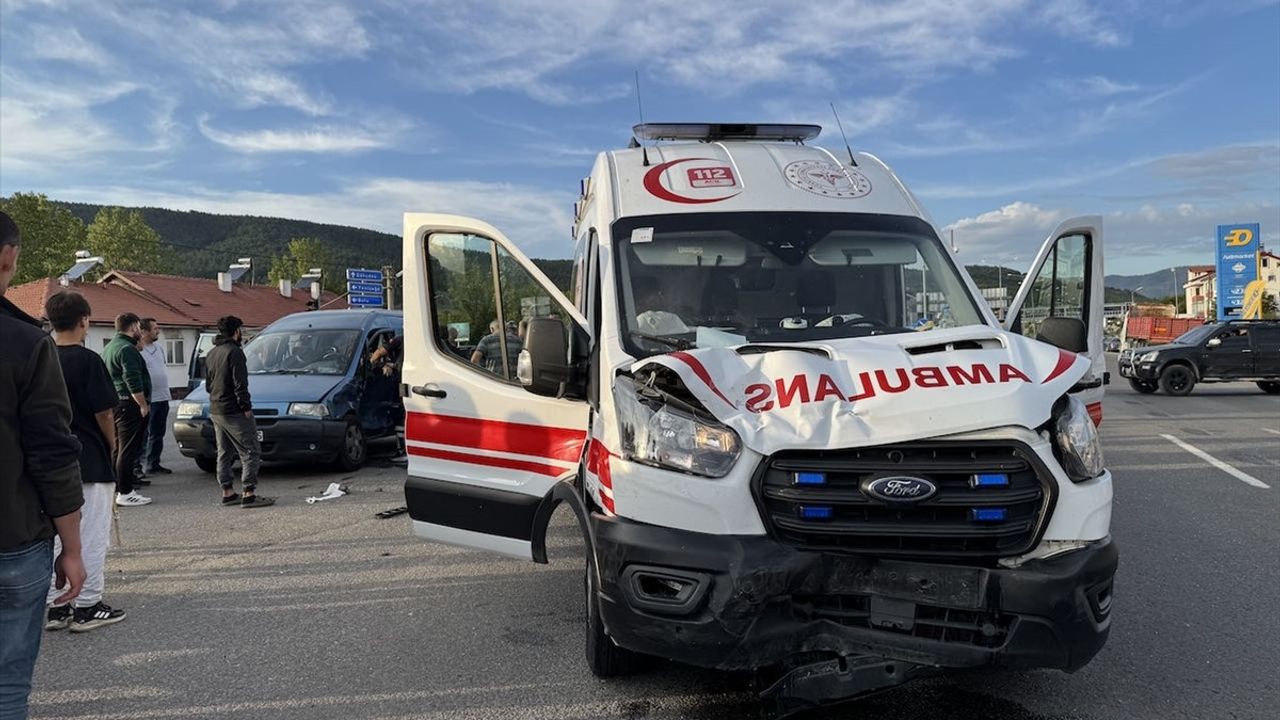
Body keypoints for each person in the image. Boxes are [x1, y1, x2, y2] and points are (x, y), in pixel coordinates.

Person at [0, 210, 86, 719]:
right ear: (8, 258)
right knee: (8, 682)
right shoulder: (26, 342)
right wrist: (73, 549)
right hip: (13, 542)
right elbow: (53, 453)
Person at [43, 291, 127, 633]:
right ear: (85, 320)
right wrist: (112, 445)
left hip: (47, 462)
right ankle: (88, 605)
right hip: (88, 458)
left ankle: (56, 606)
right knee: (91, 534)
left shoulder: (39, 358)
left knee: (57, 537)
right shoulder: (88, 361)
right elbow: (104, 411)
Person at [205, 315, 274, 508]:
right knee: (250, 450)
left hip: (216, 408)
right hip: (233, 409)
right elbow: (240, 383)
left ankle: (227, 491)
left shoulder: (212, 353)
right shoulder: (235, 352)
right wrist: (245, 407)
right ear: (236, 332)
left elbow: (209, 385)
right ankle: (249, 492)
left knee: (224, 451)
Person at [102, 313, 153, 507]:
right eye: (139, 327)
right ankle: (126, 491)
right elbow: (132, 379)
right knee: (128, 448)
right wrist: (142, 404)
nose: (141, 331)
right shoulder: (126, 349)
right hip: (129, 404)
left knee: (117, 447)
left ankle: (117, 487)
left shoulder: (110, 347)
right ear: (133, 327)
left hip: (115, 403)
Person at [137, 318, 173, 476]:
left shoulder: (159, 348)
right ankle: (138, 467)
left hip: (163, 396)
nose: (158, 331)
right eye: (155, 328)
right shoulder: (138, 350)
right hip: (148, 399)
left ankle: (153, 463)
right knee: (144, 434)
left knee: (158, 433)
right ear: (143, 331)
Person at [369, 334, 407, 465]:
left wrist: (371, 362)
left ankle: (402, 450)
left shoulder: (400, 339)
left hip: (402, 382)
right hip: (413, 379)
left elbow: (380, 352)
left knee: (401, 414)